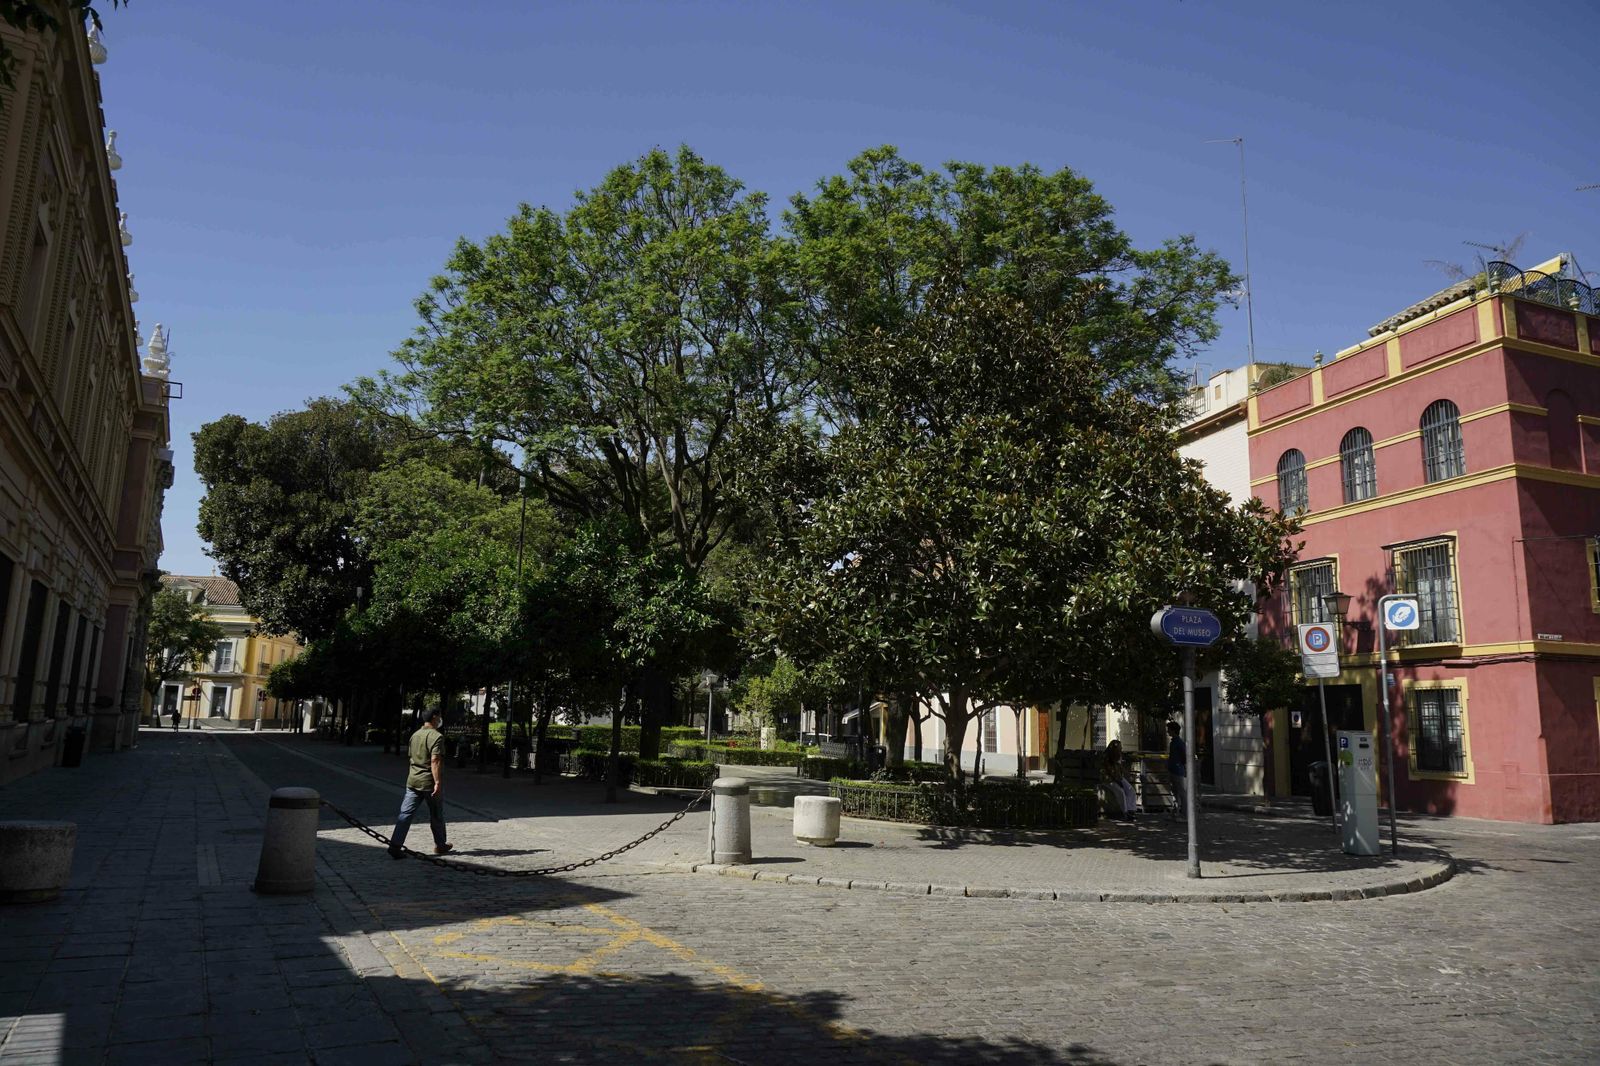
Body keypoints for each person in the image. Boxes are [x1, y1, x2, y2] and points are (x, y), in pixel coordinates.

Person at [389, 708, 453, 859]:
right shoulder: (436, 736)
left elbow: (411, 757)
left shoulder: (414, 735)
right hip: (429, 782)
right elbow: (435, 760)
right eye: (439, 717)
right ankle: (440, 845)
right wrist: (437, 782)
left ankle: (395, 845)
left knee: (405, 814)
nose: (440, 720)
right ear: (435, 717)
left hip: (413, 780)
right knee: (436, 814)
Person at [1101, 739, 1138, 819]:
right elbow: (1110, 771)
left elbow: (1120, 768)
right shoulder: (1107, 757)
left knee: (1131, 790)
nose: (1121, 749)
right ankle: (1124, 813)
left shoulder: (1118, 756)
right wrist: (1118, 780)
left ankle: (1131, 810)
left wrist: (1126, 774)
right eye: (1119, 748)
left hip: (1118, 777)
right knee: (1120, 792)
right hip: (1109, 779)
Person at [1166, 719, 1188, 816]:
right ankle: (1177, 810)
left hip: (1178, 770)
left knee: (1181, 792)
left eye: (1169, 730)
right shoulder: (1173, 742)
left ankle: (1185, 812)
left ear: (1173, 731)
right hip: (1173, 769)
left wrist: (1179, 764)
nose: (1167, 731)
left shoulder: (1179, 743)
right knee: (1175, 792)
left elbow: (1184, 756)